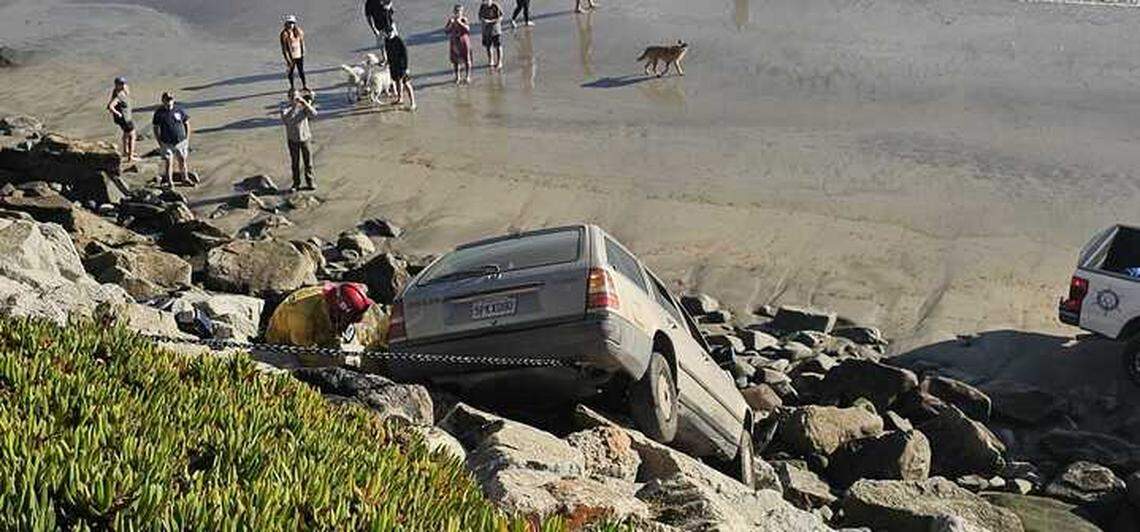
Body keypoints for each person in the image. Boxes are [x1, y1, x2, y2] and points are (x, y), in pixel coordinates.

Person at [265, 283, 389, 366]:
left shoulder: (333, 304)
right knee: (333, 360)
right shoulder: (302, 316)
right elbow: (304, 354)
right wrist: (338, 360)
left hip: (323, 330)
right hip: (285, 343)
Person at [151, 92, 195, 188]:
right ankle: (170, 182)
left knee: (182, 160)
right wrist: (159, 142)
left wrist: (187, 138)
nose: (169, 101)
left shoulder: (179, 110)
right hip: (166, 143)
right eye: (167, 100)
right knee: (169, 162)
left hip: (181, 141)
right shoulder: (159, 113)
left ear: (173, 100)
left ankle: (185, 178)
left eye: (170, 99)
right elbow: (155, 128)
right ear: (163, 101)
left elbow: (186, 123)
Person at [281, 88, 318, 192]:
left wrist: (305, 103)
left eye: (296, 97)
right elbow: (287, 120)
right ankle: (296, 183)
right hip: (293, 140)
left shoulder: (303, 107)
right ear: (289, 98)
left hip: (305, 138)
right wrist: (294, 107)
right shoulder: (285, 109)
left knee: (308, 162)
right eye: (292, 97)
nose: (295, 99)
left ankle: (310, 182)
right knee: (295, 163)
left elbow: (314, 114)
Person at [105, 77, 137, 162]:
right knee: (132, 135)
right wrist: (117, 113)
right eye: (121, 84)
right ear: (117, 85)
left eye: (124, 83)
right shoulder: (119, 95)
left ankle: (126, 151)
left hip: (123, 119)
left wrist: (125, 89)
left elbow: (127, 91)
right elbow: (110, 106)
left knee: (126, 134)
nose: (123, 85)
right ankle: (130, 156)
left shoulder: (117, 91)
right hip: (125, 119)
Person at [384, 30, 416, 110]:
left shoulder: (399, 40)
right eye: (386, 33)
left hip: (401, 66)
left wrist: (406, 68)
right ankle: (400, 98)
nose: (387, 34)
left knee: (406, 83)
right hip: (393, 65)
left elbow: (405, 54)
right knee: (397, 82)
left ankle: (413, 103)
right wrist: (387, 61)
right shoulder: (386, 40)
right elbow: (388, 52)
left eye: (389, 33)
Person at [445, 4, 472, 85]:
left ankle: (467, 76)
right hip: (454, 42)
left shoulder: (464, 19)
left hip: (464, 42)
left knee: (467, 59)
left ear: (462, 12)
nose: (458, 13)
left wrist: (460, 23)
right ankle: (457, 76)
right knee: (455, 61)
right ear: (454, 12)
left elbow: (468, 30)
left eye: (459, 11)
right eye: (456, 11)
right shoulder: (451, 20)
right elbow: (446, 31)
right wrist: (450, 25)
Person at [280, 15, 308, 91]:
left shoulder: (298, 31)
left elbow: (302, 41)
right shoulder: (284, 34)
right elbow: (284, 48)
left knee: (301, 71)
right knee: (291, 72)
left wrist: (303, 51)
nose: (291, 25)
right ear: (287, 23)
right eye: (289, 23)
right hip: (291, 56)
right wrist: (287, 59)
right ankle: (292, 87)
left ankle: (304, 85)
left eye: (292, 23)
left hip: (299, 55)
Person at [479, 0, 504, 69]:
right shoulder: (482, 6)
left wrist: (490, 21)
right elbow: (480, 17)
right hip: (486, 30)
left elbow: (501, 17)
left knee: (498, 46)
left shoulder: (495, 6)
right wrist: (483, 20)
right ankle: (491, 60)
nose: (486, 2)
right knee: (488, 46)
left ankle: (499, 62)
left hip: (496, 30)